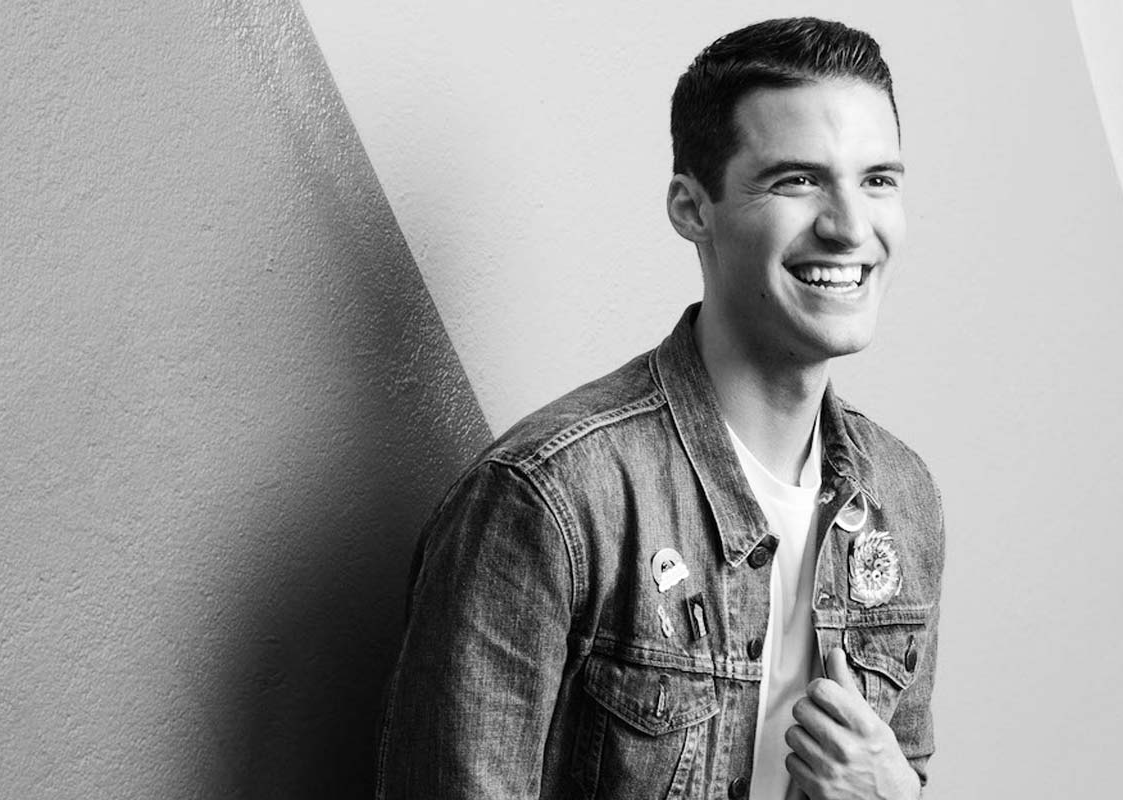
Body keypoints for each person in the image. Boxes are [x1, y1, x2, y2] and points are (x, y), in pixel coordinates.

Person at [375, 17, 944, 800]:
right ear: (691, 208)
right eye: (796, 180)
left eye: (878, 179)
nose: (851, 226)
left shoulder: (903, 500)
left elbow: (900, 771)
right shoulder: (552, 502)